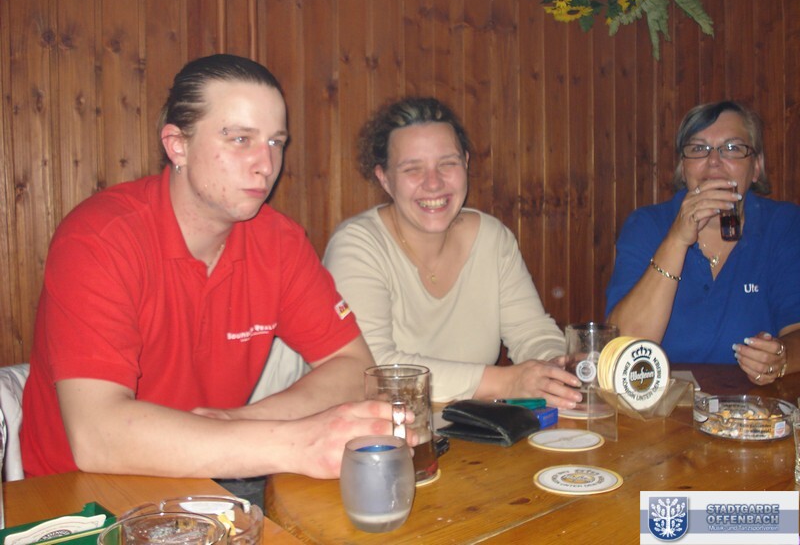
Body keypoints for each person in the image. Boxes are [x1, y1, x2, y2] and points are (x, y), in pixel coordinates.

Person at [20, 53, 409, 479]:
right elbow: (97, 438)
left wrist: (238, 421)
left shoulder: (279, 242)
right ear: (178, 145)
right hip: (77, 501)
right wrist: (297, 443)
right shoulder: (100, 238)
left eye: (276, 142)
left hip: (206, 487)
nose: (266, 165)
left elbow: (354, 366)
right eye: (240, 139)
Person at [322, 97, 581, 407]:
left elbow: (531, 331)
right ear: (385, 179)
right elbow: (372, 369)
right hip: (379, 431)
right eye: (412, 169)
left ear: (466, 164)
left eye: (447, 164)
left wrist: (555, 368)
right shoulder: (357, 246)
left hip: (470, 430)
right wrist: (507, 381)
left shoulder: (493, 239)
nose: (433, 183)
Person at [606, 101, 800, 385]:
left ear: (756, 167)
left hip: (754, 404)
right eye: (698, 148)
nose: (714, 161)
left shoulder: (784, 225)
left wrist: (779, 357)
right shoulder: (646, 225)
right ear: (683, 169)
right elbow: (624, 346)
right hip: (662, 401)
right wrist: (676, 239)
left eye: (732, 148)